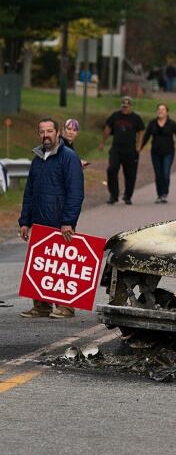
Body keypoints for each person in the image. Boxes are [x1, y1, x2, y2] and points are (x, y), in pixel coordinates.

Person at [18, 118, 84, 319]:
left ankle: (66, 306)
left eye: (49, 131)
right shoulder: (37, 159)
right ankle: (42, 306)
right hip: (38, 221)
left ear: (57, 133)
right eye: (42, 132)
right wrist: (25, 221)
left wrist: (68, 221)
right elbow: (29, 192)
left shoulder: (68, 157)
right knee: (40, 265)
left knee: (61, 265)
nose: (45, 135)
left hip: (59, 222)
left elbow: (75, 192)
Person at [140, 104, 176, 204]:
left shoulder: (171, 124)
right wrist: (140, 147)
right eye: (159, 109)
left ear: (167, 112)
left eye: (163, 110)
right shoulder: (152, 123)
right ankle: (159, 194)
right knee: (158, 174)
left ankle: (164, 193)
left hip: (168, 152)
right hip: (155, 152)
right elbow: (146, 136)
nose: (160, 111)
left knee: (165, 173)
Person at [98, 96, 145, 205]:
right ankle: (113, 195)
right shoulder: (115, 116)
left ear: (131, 107)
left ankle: (127, 196)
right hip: (116, 149)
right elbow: (107, 128)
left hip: (130, 150)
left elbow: (141, 131)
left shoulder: (136, 118)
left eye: (127, 107)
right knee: (112, 169)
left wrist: (139, 145)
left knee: (130, 174)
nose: (124, 108)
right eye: (123, 106)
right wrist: (102, 143)